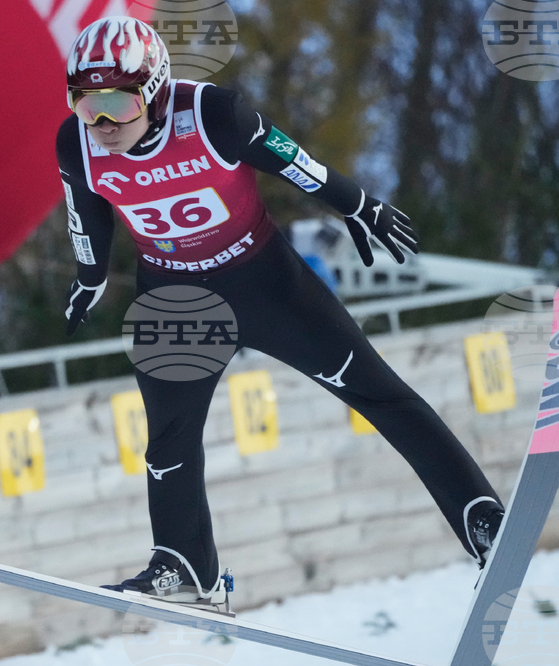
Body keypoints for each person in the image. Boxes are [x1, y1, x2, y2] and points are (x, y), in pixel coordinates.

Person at [56, 16, 505, 610]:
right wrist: (90, 279)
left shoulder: (216, 115)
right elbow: (87, 216)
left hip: (263, 279)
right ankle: (186, 563)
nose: (103, 123)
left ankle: (481, 517)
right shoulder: (77, 144)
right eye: (86, 105)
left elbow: (295, 162)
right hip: (173, 300)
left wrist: (358, 204)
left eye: (117, 102)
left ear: (157, 88)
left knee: (379, 392)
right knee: (169, 441)